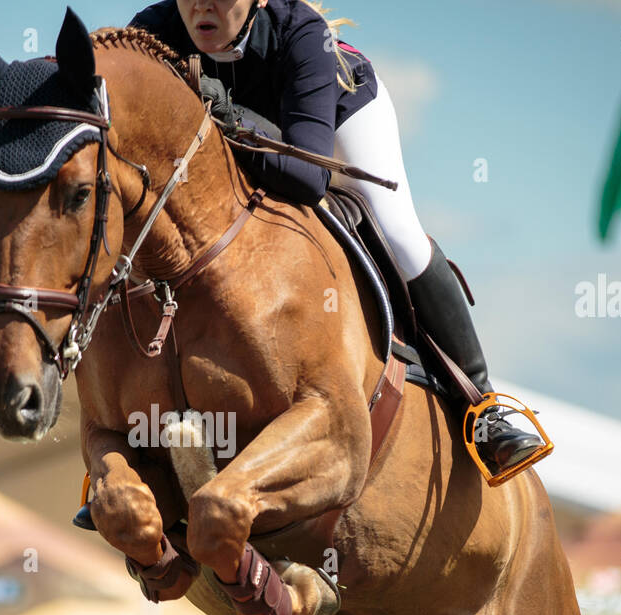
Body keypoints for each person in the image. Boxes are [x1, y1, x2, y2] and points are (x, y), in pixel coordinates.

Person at [127, 0, 545, 477]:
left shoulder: (302, 33)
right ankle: (128, 435)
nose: (202, 4)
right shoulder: (153, 32)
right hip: (248, 139)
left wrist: (228, 121)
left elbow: (308, 176)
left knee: (397, 232)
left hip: (336, 120)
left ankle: (481, 404)